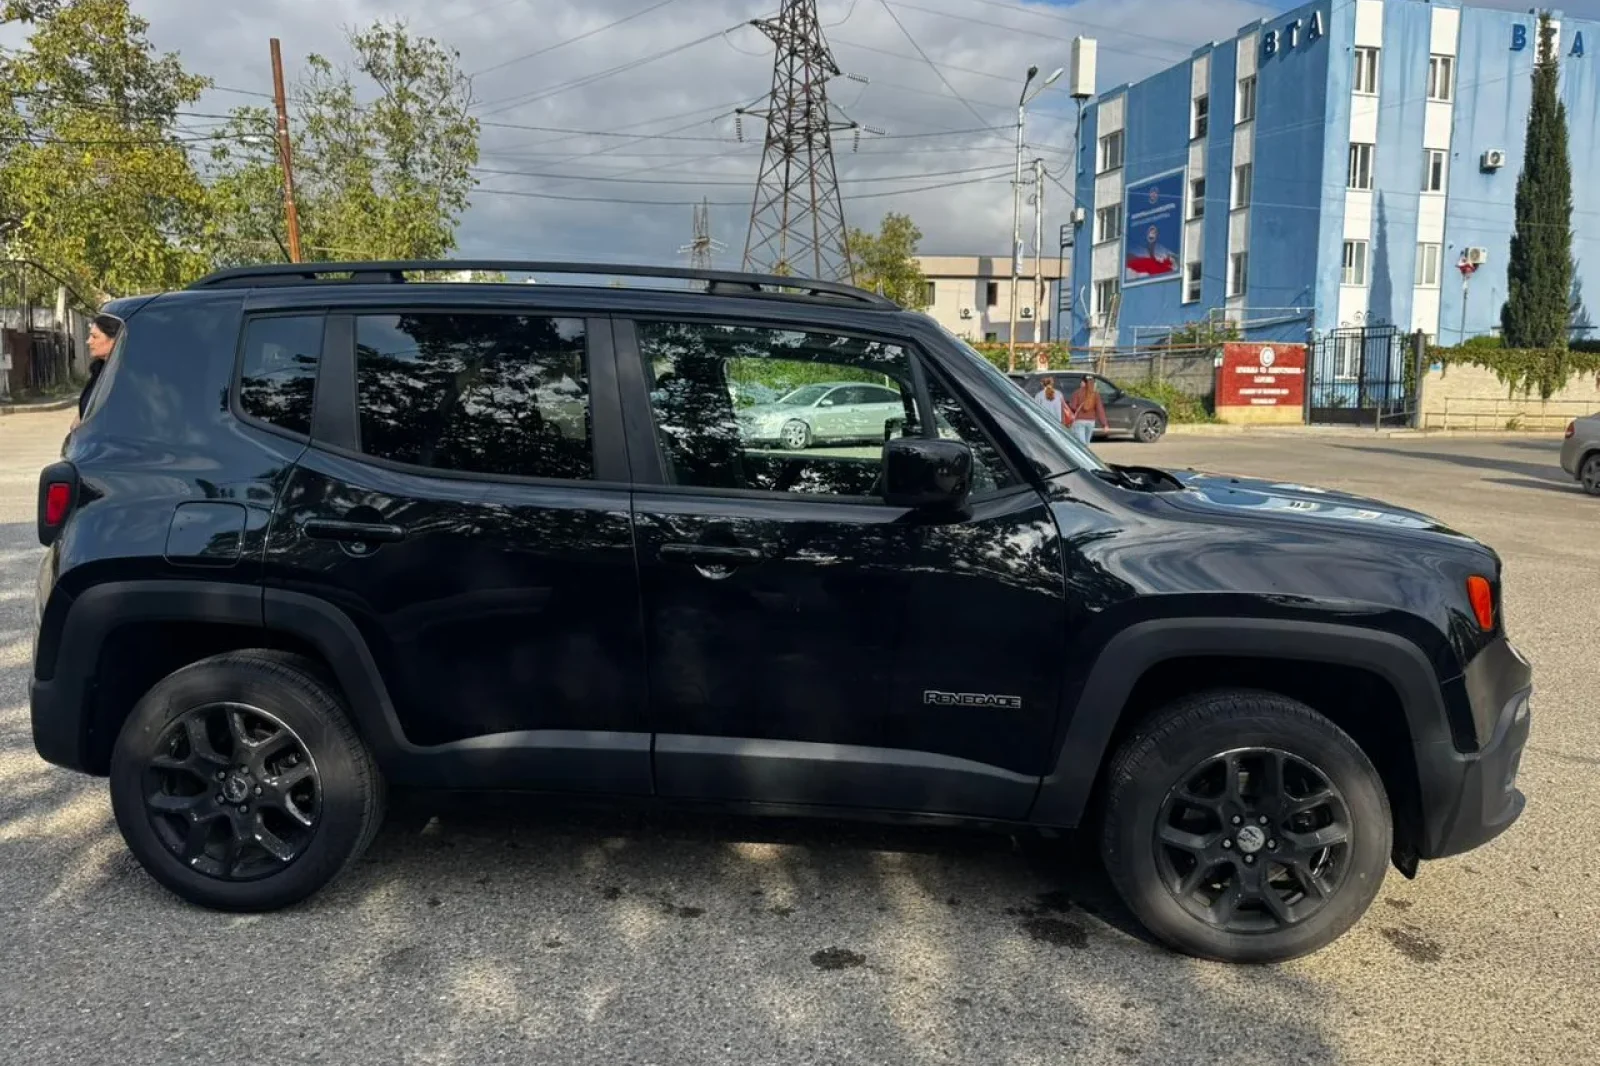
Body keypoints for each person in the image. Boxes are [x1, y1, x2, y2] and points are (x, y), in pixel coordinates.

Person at [72, 314, 121, 431]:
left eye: (95, 337)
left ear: (114, 340)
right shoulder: (99, 370)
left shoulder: (122, 374)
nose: (89, 342)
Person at [1068, 375, 1105, 445]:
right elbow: (1100, 409)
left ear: (1083, 382)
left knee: (1081, 444)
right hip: (1091, 422)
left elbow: (1073, 407)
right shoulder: (1095, 394)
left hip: (1079, 421)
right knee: (1086, 444)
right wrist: (1104, 424)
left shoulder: (1077, 393)